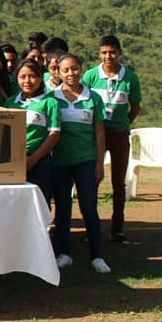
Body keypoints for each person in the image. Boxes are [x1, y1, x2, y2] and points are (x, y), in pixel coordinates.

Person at [50, 54, 111, 274]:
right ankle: (63, 253)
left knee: (89, 207)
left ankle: (97, 256)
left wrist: (99, 163)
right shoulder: (52, 97)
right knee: (63, 208)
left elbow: (100, 132)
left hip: (86, 160)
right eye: (65, 70)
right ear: (58, 73)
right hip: (60, 161)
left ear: (81, 70)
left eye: (74, 69)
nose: (71, 74)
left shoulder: (94, 97)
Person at [81, 35, 142, 244]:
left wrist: (123, 123)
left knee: (118, 182)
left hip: (119, 135)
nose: (108, 56)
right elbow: (83, 101)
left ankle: (117, 229)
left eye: (112, 52)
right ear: (99, 53)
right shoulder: (90, 76)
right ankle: (92, 228)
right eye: (104, 52)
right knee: (93, 180)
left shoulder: (130, 77)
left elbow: (135, 106)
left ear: (120, 53)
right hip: (94, 134)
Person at [6, 58, 60, 203]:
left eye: (32, 76)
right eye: (22, 77)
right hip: (12, 162)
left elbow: (54, 134)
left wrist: (33, 159)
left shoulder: (50, 102)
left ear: (41, 77)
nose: (27, 81)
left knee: (40, 204)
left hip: (39, 162)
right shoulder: (11, 103)